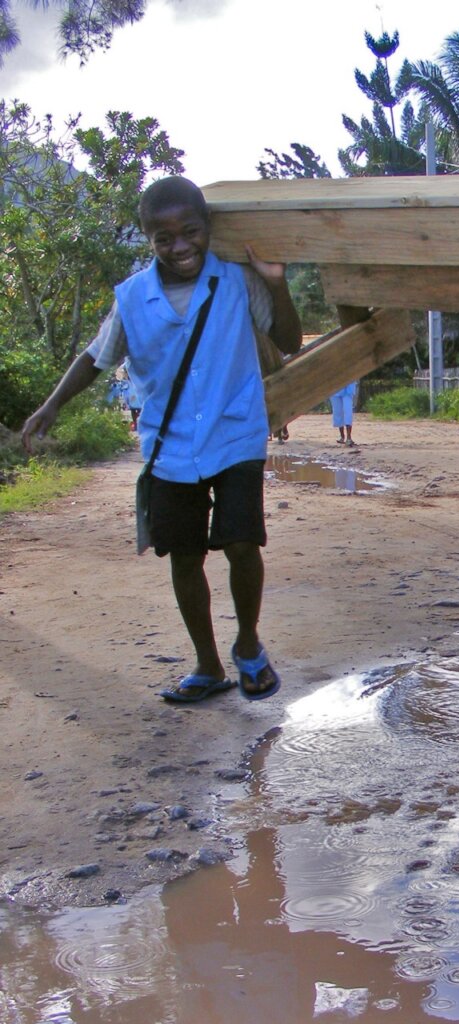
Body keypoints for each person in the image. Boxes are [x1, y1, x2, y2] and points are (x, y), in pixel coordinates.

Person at [22, 175, 302, 704]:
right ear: (148, 239)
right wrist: (51, 404)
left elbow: (287, 340)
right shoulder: (131, 298)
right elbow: (95, 357)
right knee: (183, 554)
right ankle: (207, 663)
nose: (180, 247)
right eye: (163, 238)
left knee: (243, 542)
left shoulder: (238, 282)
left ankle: (247, 642)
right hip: (168, 446)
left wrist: (278, 283)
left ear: (207, 228)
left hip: (235, 431)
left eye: (190, 232)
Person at [331, 380, 358, 445]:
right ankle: (342, 436)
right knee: (337, 412)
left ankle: (349, 437)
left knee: (348, 411)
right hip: (334, 388)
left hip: (348, 388)